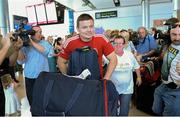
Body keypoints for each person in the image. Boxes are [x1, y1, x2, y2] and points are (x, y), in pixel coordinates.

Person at [58, 13, 117, 80]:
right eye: (84, 27)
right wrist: (68, 78)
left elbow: (113, 59)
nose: (89, 30)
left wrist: (106, 79)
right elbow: (60, 62)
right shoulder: (70, 42)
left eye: (91, 26)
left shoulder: (101, 39)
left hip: (96, 82)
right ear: (78, 29)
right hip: (77, 84)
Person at [17, 26, 51, 106]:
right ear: (31, 34)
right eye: (36, 32)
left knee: (44, 101)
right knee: (32, 102)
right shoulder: (25, 47)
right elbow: (21, 61)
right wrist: (18, 48)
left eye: (40, 32)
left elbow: (45, 52)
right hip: (30, 78)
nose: (39, 34)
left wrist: (31, 42)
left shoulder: (45, 43)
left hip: (43, 77)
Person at [152, 22, 180, 116]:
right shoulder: (168, 43)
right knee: (156, 110)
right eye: (174, 34)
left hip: (176, 90)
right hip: (163, 86)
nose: (177, 38)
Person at [110, 35, 142, 116]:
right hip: (113, 88)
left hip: (127, 88)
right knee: (113, 109)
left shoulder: (129, 55)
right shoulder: (109, 56)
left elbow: (137, 66)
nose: (118, 45)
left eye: (120, 43)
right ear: (112, 44)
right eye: (115, 43)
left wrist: (139, 77)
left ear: (124, 45)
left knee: (124, 109)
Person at [0, 33, 22, 116]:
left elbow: (11, 63)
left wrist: (16, 49)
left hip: (5, 81)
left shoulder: (2, 42)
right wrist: (6, 46)